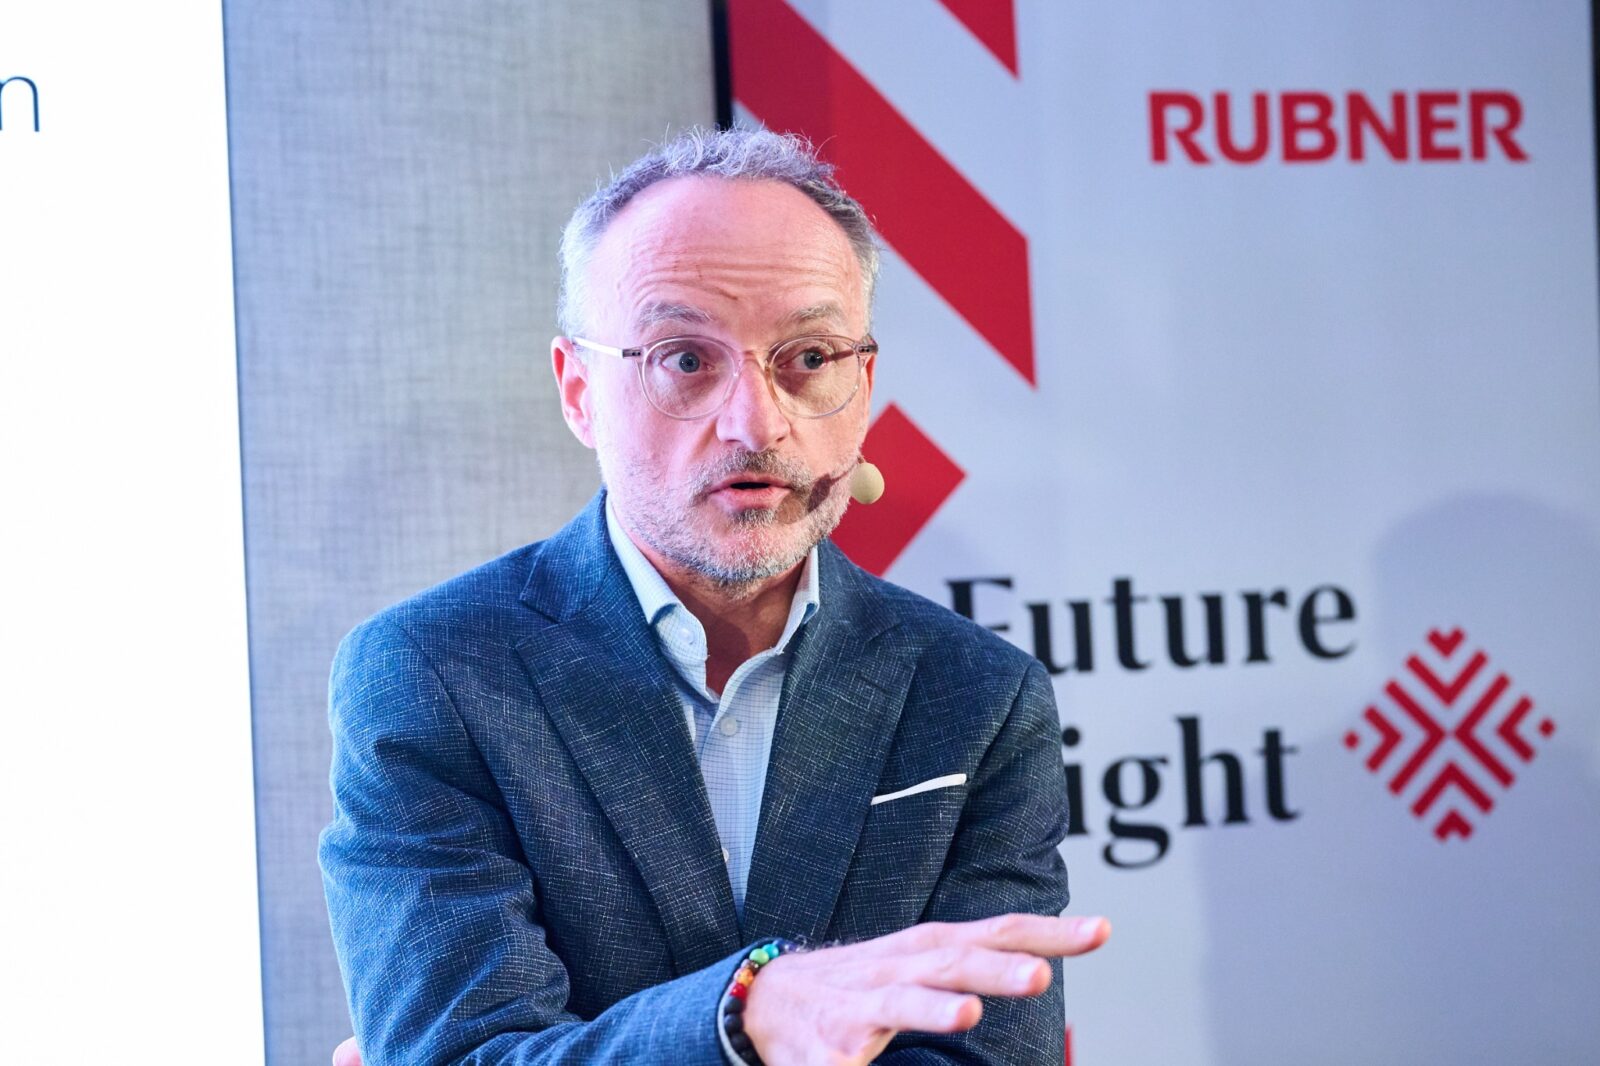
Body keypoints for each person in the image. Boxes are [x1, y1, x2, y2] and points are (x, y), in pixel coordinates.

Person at [319, 127, 1109, 1066]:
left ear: (863, 385)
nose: (756, 423)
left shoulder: (977, 696)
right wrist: (746, 1016)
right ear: (579, 391)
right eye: (686, 360)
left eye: (808, 357)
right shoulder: (435, 675)